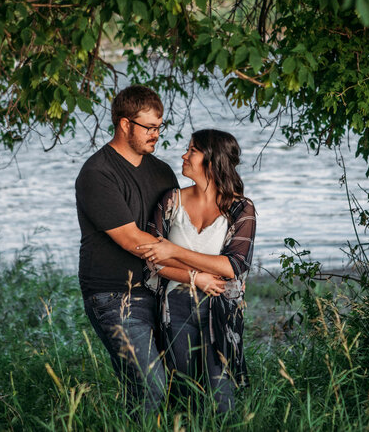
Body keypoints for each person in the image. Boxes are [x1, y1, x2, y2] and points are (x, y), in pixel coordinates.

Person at [75, 85, 221, 416]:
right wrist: (197, 273)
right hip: (115, 295)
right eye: (149, 128)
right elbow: (132, 240)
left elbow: (182, 225)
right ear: (125, 124)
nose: (156, 135)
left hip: (164, 289)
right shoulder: (97, 174)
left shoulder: (161, 171)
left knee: (183, 386)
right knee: (149, 386)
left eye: (159, 126)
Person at [136, 129, 256, 414]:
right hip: (175, 308)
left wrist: (174, 251)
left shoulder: (241, 209)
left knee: (221, 396)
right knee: (184, 393)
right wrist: (196, 276)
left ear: (211, 162)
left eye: (192, 150)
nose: (184, 155)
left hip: (220, 310)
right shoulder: (171, 202)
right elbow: (153, 260)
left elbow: (232, 266)